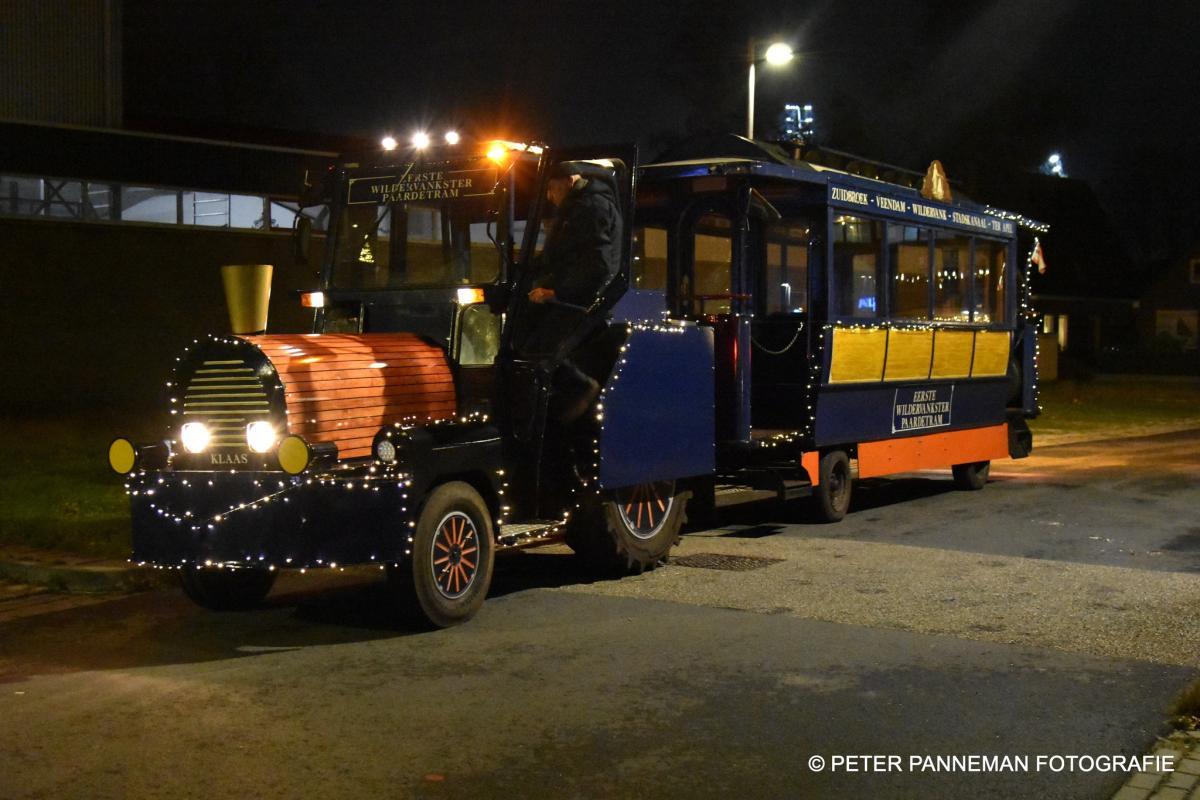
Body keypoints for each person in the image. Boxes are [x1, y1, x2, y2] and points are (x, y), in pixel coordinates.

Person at [521, 160, 622, 422]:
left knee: (536, 348)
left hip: (579, 301)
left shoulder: (591, 208)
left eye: (551, 188)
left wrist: (556, 293)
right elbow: (560, 256)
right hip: (572, 295)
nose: (549, 196)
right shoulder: (578, 207)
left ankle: (580, 389)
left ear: (568, 181)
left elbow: (597, 265)